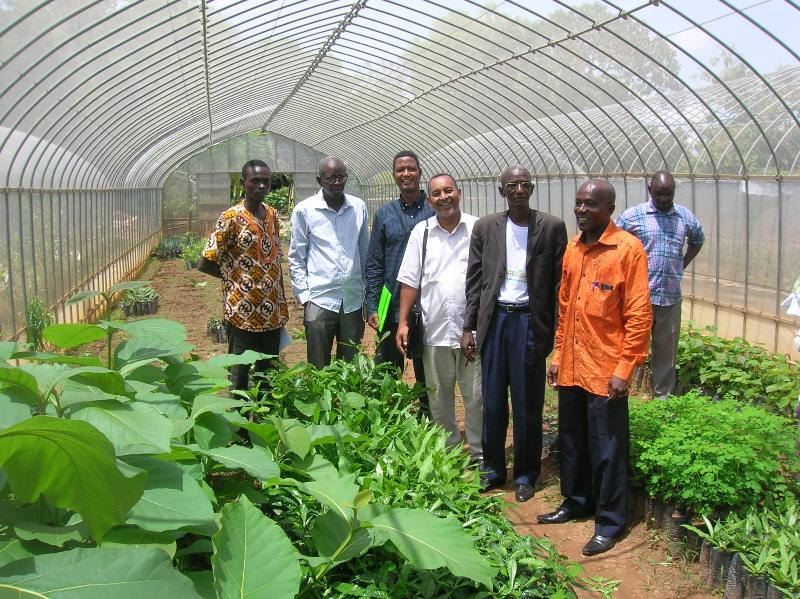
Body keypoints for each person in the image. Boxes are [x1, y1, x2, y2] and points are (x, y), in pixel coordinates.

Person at [538, 179, 651, 557]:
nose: (581, 210)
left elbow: (638, 315)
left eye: (590, 205)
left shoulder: (627, 250)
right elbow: (565, 307)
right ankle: (575, 501)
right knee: (572, 439)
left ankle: (610, 522)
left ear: (609, 209)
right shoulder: (574, 248)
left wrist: (624, 368)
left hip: (606, 369)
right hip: (571, 364)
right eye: (578, 203)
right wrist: (557, 356)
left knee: (607, 448)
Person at [461, 165, 567, 503]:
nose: (518, 189)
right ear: (502, 190)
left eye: (524, 184)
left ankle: (525, 473)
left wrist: (553, 330)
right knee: (492, 402)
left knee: (527, 404)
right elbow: (475, 280)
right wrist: (468, 326)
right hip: (495, 323)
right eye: (512, 185)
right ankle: (493, 470)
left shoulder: (550, 227)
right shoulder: (486, 227)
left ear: (532, 189)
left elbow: (558, 285)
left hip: (528, 324)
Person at [395, 174, 482, 462]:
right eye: (436, 194)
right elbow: (410, 281)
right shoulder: (422, 232)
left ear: (459, 193)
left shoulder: (477, 229)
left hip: (473, 329)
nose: (444, 197)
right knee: (439, 395)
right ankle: (449, 449)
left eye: (448, 191)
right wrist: (403, 322)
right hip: (434, 327)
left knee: (476, 395)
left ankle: (480, 451)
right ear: (429, 200)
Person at [198, 159, 289, 394]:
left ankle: (263, 423)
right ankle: (239, 428)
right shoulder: (231, 217)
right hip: (242, 313)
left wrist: (280, 301)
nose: (261, 186)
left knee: (267, 372)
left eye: (266, 182)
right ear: (243, 183)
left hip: (271, 312)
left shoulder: (272, 215)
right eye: (255, 181)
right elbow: (205, 261)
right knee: (239, 373)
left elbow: (274, 260)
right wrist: (235, 279)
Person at [616, 170, 704, 400]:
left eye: (669, 193)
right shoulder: (633, 216)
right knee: (629, 347)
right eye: (659, 193)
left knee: (666, 353)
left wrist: (682, 263)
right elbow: (613, 243)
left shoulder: (684, 217)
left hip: (670, 298)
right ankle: (620, 391)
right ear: (650, 191)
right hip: (638, 298)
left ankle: (661, 401)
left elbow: (698, 239)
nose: (664, 198)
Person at [364, 151, 435, 396]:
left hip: (428, 302)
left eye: (411, 169)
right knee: (387, 366)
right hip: (390, 300)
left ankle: (428, 417)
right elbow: (374, 263)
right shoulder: (385, 214)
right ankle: (391, 417)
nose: (406, 174)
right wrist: (373, 305)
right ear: (394, 175)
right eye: (400, 170)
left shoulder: (434, 209)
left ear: (420, 173)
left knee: (427, 368)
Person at [288, 156, 369, 368]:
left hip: (352, 299)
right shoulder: (305, 210)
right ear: (319, 180)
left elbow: (364, 250)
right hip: (320, 299)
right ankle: (320, 402)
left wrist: (366, 291)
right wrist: (305, 298)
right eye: (330, 178)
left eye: (341, 177)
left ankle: (346, 402)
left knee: (349, 365)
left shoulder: (358, 207)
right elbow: (297, 256)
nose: (336, 182)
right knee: (318, 365)